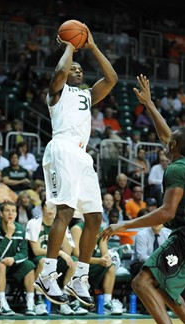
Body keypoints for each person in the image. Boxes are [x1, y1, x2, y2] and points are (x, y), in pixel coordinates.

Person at [99, 74, 185, 324]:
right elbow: (167, 135)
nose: (167, 138)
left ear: (174, 145)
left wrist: (123, 224)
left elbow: (166, 213)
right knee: (163, 285)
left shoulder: (175, 170)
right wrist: (149, 104)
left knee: (142, 282)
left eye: (171, 138)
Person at [33, 24, 118, 307]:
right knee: (65, 212)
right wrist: (70, 44)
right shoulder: (56, 94)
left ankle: (79, 277)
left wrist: (91, 46)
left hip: (83, 155)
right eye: (74, 68)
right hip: (62, 148)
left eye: (81, 69)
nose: (78, 71)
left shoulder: (87, 95)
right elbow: (59, 73)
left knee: (94, 217)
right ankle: (47, 273)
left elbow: (112, 78)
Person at [26, 200, 86, 316]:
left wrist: (61, 229)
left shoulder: (61, 224)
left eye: (54, 208)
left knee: (74, 263)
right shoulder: (34, 223)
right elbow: (36, 250)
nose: (51, 210)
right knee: (44, 262)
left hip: (54, 260)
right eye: (49, 207)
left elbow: (68, 251)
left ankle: (64, 299)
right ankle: (39, 301)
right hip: (37, 259)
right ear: (43, 208)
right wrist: (59, 252)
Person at [0, 201, 36, 316]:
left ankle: (30, 302)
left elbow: (24, 252)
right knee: (1, 264)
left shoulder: (21, 229)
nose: (11, 214)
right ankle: (2, 303)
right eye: (7, 210)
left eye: (13, 211)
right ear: (1, 213)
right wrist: (8, 235)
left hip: (13, 263)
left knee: (29, 265)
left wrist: (13, 259)